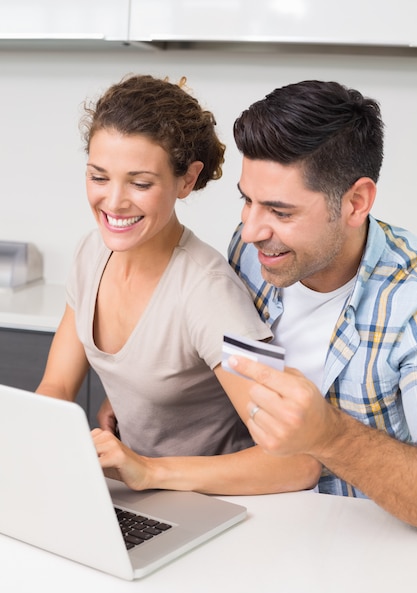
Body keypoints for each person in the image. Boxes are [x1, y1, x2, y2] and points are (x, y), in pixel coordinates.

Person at [36, 74, 320, 495]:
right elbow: (57, 386)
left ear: (186, 180)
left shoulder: (208, 292)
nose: (113, 202)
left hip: (220, 509)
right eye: (99, 177)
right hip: (139, 499)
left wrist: (150, 470)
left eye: (140, 183)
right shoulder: (89, 254)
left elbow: (298, 461)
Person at [226, 79, 417, 526]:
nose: (251, 229)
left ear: (356, 202)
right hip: (257, 531)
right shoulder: (251, 253)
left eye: (280, 211)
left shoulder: (408, 304)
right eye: (246, 201)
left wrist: (331, 436)